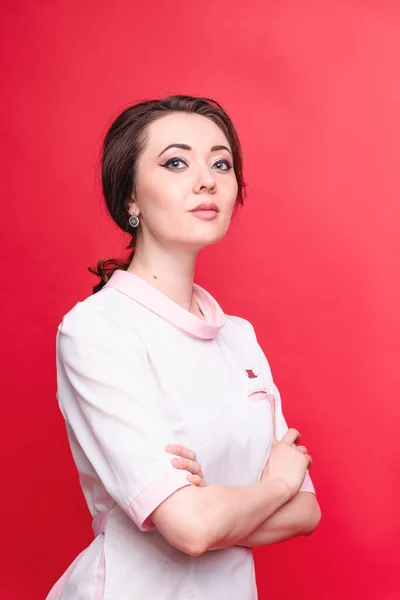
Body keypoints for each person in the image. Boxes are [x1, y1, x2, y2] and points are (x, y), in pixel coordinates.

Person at [46, 94, 321, 600]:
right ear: (129, 197)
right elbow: (192, 528)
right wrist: (273, 488)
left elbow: (307, 512)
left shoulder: (238, 337)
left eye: (222, 163)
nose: (207, 180)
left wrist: (212, 506)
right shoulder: (96, 331)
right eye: (176, 162)